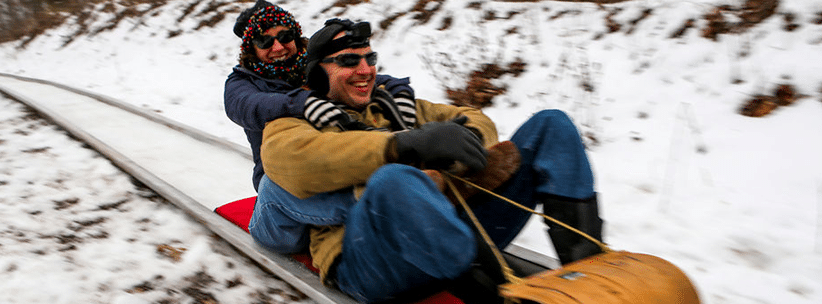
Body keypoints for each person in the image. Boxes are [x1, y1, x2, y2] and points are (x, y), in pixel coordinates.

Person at [250, 18, 604, 303]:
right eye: (348, 61)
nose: (365, 69)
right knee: (395, 181)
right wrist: (404, 147)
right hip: (369, 260)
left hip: (451, 231)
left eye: (369, 59)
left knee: (552, 125)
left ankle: (588, 268)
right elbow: (299, 163)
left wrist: (460, 144)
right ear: (317, 72)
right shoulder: (290, 123)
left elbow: (474, 118)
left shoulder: (395, 105)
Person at [223, 0, 416, 191]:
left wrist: (399, 90)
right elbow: (245, 105)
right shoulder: (242, 82)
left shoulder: (312, 67)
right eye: (264, 41)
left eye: (285, 36)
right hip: (280, 179)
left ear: (295, 36)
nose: (278, 47)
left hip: (335, 162)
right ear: (251, 48)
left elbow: (356, 76)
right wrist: (301, 103)